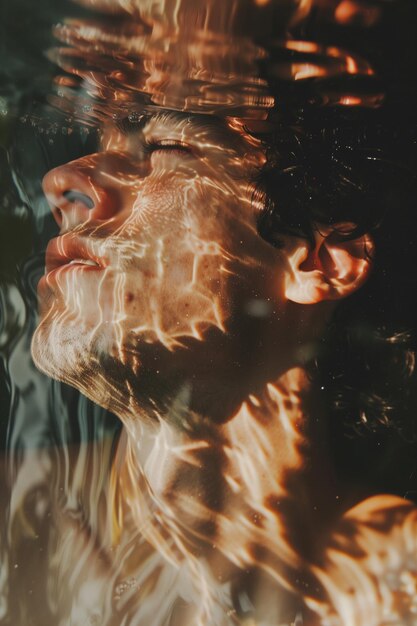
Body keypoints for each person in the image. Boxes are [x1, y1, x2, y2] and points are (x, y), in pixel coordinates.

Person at [16, 0, 417, 625]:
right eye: (96, 143)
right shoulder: (20, 523)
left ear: (320, 261)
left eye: (165, 147)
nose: (63, 180)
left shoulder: (401, 590)